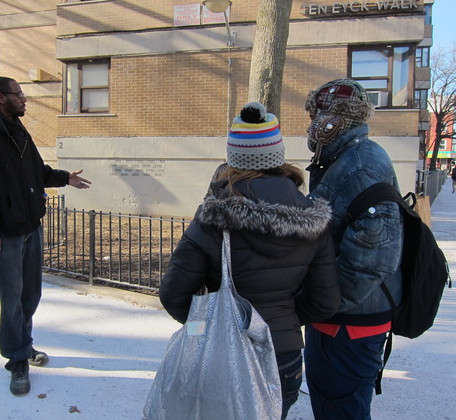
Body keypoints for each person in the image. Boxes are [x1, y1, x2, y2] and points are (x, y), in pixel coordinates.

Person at [159, 102, 341, 419]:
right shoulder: (314, 221)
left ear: (234, 157)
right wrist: (282, 319)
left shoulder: (212, 217)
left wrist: (204, 328)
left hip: (221, 354)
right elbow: (326, 301)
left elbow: (173, 293)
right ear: (277, 156)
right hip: (283, 356)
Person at [0, 76, 92, 396]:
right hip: (5, 232)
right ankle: (17, 359)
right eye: (19, 95)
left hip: (31, 224)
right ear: (0, 97)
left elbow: (35, 170)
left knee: (30, 294)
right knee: (12, 298)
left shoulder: (17, 128)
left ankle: (24, 344)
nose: (24, 100)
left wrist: (65, 179)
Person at [302, 79, 404, 419]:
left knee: (341, 411)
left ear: (334, 120)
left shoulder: (360, 164)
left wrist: (323, 304)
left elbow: (374, 258)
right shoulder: (342, 158)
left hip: (347, 325)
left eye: (317, 116)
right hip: (339, 322)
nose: (311, 125)